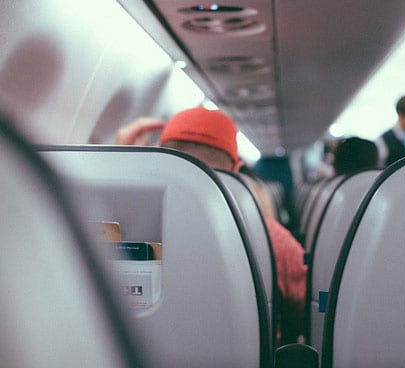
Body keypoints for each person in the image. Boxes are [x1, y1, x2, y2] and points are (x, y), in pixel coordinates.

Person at [115, 107, 308, 344]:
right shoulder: (270, 237)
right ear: (236, 171)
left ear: (162, 160)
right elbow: (303, 309)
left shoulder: (126, 232)